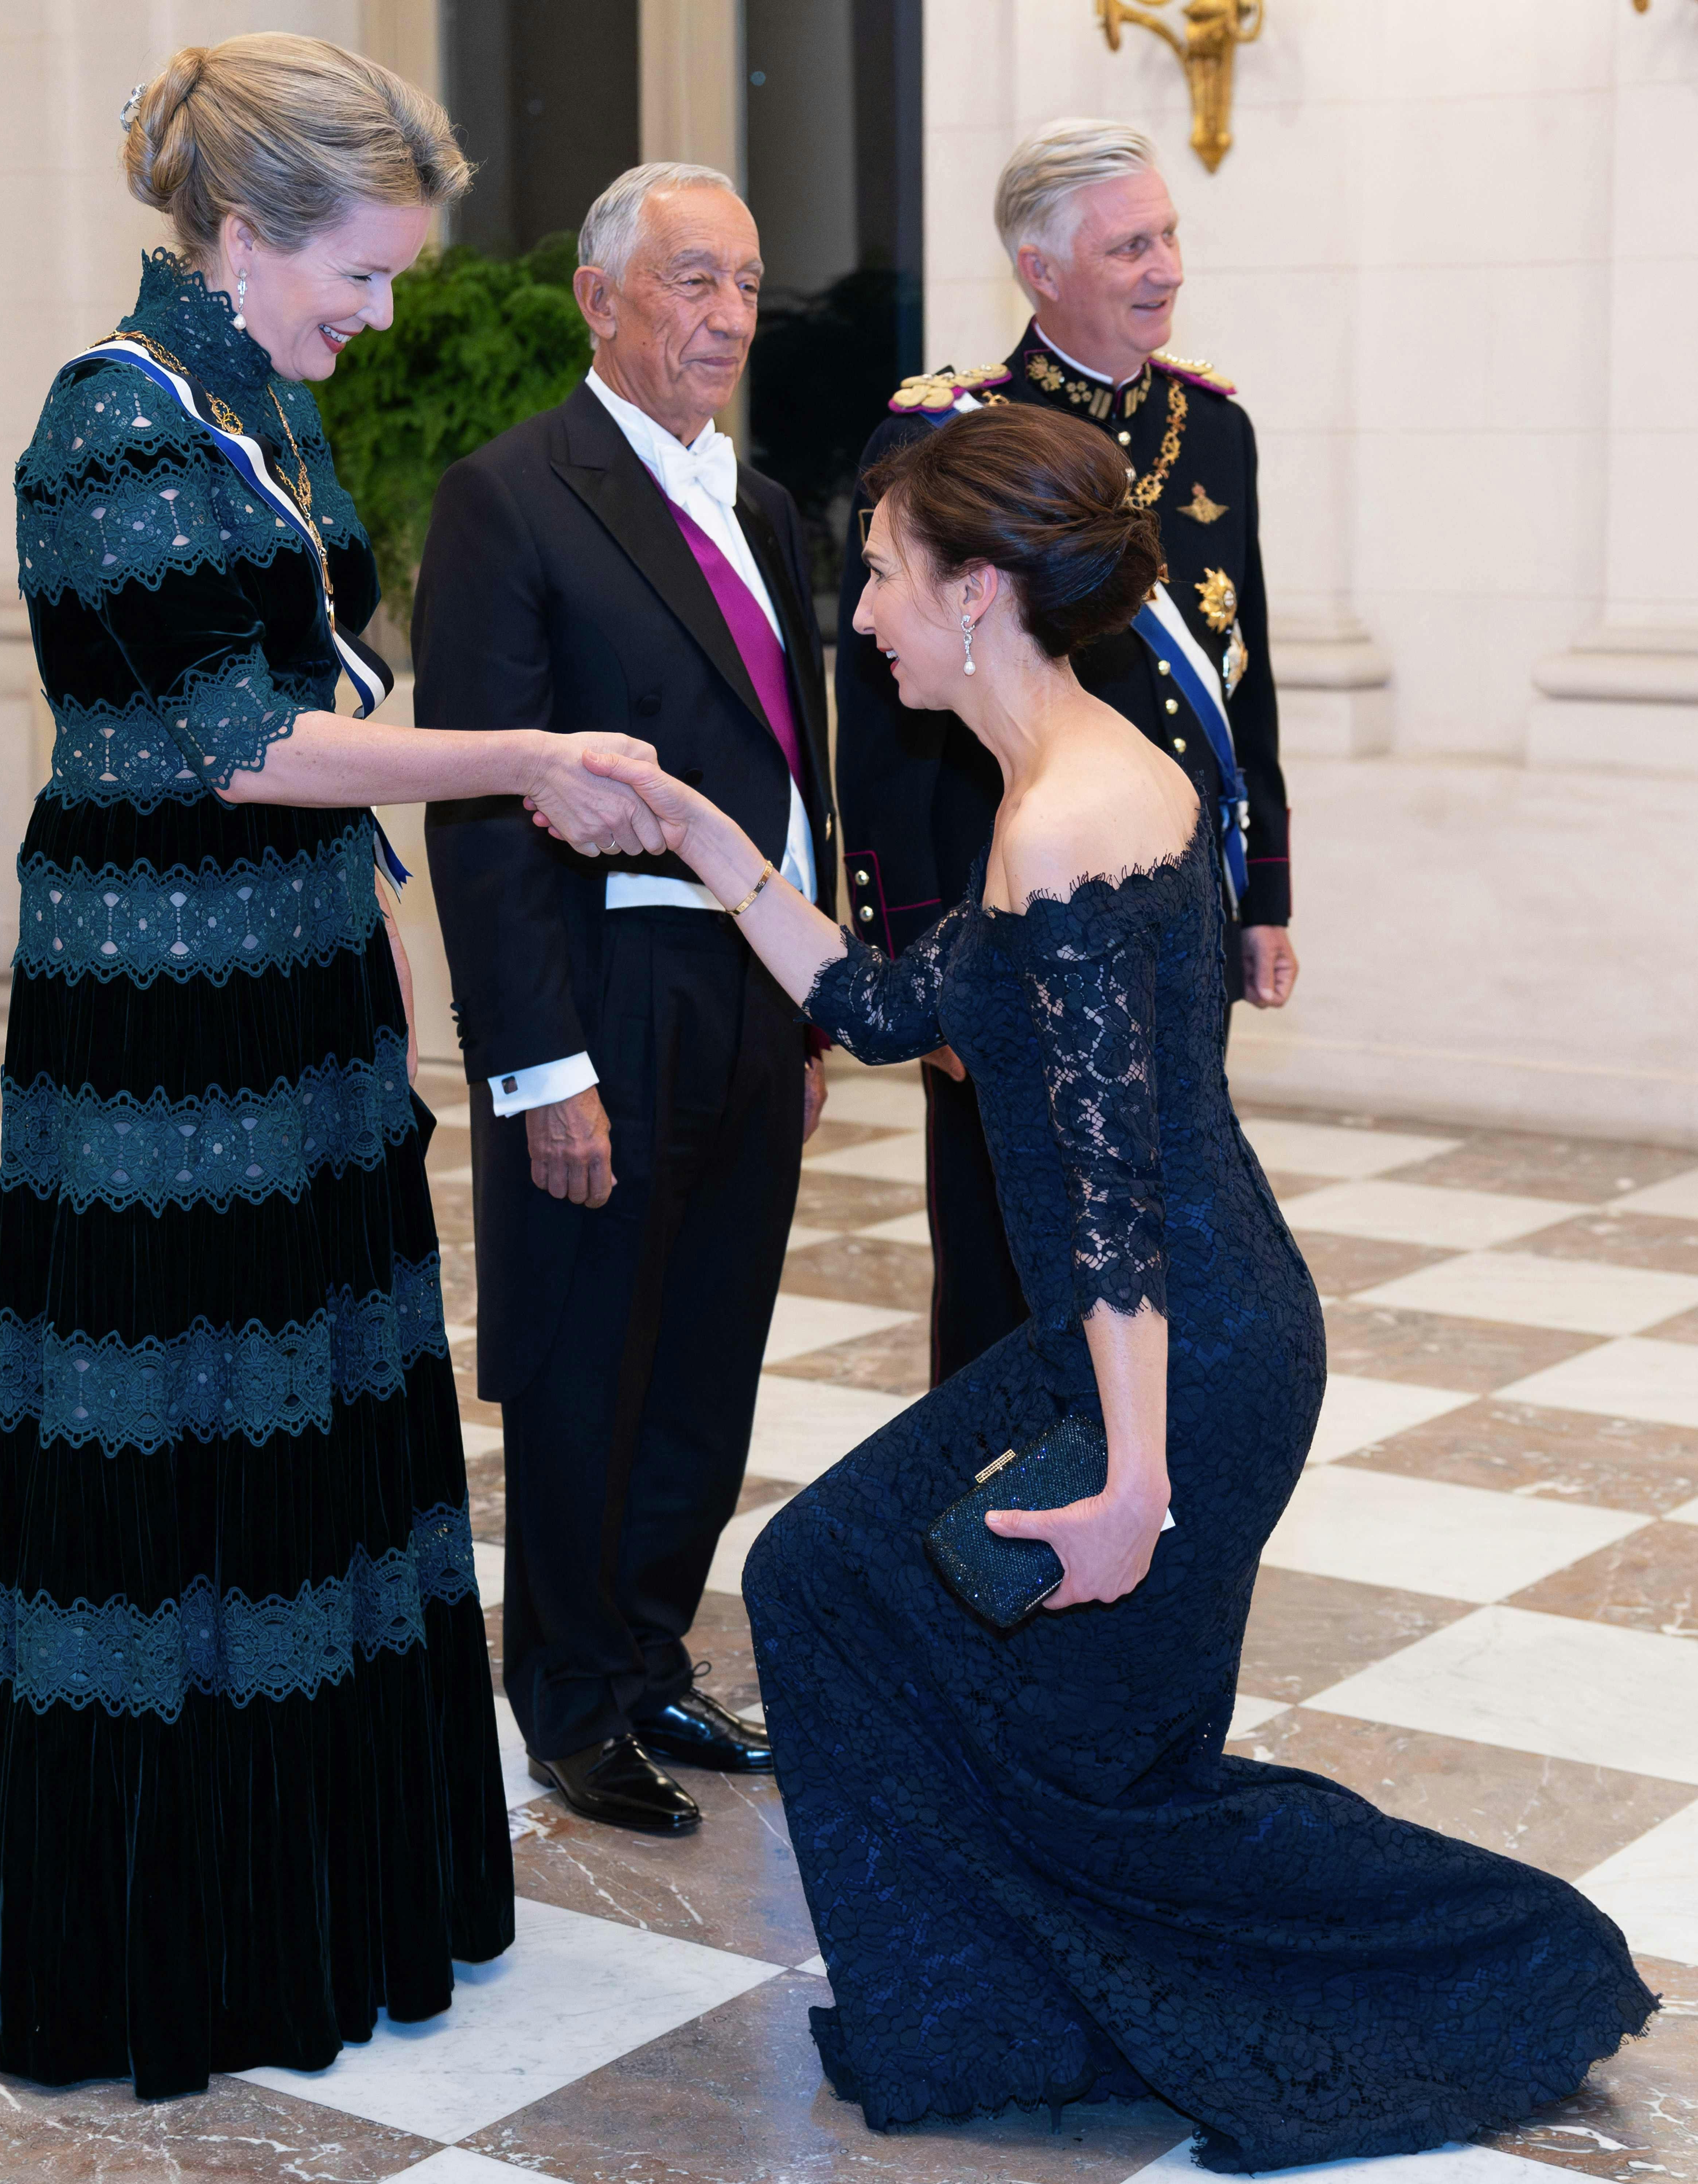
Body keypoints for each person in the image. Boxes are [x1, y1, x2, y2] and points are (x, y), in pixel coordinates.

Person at [581, 402, 1655, 2171]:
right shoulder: (1073, 777)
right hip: (1152, 1338)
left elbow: (1111, 1203)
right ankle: (1000, 2001)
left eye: (879, 576)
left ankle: (1513, 1958)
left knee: (1111, 1779)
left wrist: (1132, 1482)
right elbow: (880, 1013)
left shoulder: (1072, 818)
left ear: (980, 590)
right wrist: (701, 828)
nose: (859, 614)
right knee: (836, 1577)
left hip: (1177, 1357)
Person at [0, 35, 663, 2097]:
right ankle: (183, 1955)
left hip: (288, 997)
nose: (379, 319)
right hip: (161, 1045)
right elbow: (244, 743)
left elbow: (308, 695)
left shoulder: (255, 394)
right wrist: (528, 756)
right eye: (357, 275)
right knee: (192, 1456)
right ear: (241, 228)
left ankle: (346, 1900)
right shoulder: (108, 425)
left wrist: (385, 946)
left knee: (321, 1440)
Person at [413, 162, 836, 1838]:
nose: (725, 316)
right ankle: (571, 1697)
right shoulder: (514, 498)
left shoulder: (767, 502)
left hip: (746, 983)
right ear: (601, 300)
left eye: (742, 281)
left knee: (709, 1346)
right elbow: (478, 814)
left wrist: (813, 997)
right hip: (603, 986)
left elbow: (799, 774)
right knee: (594, 1351)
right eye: (687, 281)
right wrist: (537, 1065)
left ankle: (652, 1645)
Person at [836, 117, 1296, 1386]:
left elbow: (1243, 672)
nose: (1166, 268)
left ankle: (1153, 1474)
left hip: (1170, 912)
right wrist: (912, 961)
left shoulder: (1216, 433)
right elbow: (877, 730)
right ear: (1040, 270)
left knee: (1167, 1211)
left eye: (1169, 236)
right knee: (1003, 1262)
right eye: (1130, 245)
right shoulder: (941, 441)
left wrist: (1262, 897)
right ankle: (987, 1542)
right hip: (1004, 919)